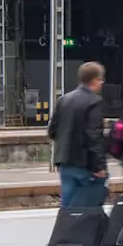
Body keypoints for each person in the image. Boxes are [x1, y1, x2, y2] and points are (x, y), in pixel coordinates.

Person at [48, 61, 108, 207]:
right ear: (95, 80)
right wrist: (99, 166)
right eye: (101, 80)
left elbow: (52, 130)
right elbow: (94, 136)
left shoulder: (64, 99)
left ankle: (66, 228)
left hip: (65, 162)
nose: (102, 83)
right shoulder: (94, 101)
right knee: (89, 206)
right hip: (85, 164)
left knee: (67, 204)